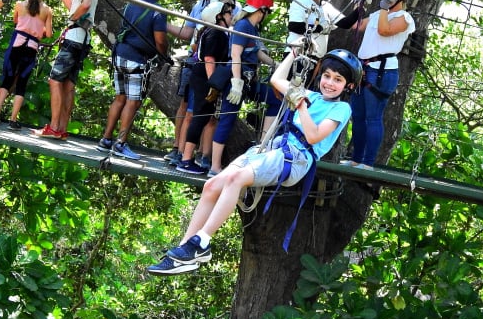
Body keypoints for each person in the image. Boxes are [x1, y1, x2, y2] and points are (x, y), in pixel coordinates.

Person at [146, 48, 359, 275]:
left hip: (295, 158)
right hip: (273, 148)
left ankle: (202, 242)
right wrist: (294, 54)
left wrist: (301, 106)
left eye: (337, 80)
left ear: (348, 86)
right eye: (327, 76)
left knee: (236, 179)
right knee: (212, 185)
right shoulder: (311, 95)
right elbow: (277, 79)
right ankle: (184, 250)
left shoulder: (341, 108)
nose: (329, 83)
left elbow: (314, 136)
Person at [95, 0, 168, 159]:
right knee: (132, 101)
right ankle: (120, 143)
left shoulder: (130, 4)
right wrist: (163, 55)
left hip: (119, 54)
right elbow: (160, 41)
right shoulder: (157, 11)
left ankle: (106, 139)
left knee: (119, 98)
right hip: (136, 59)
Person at [347, 0, 416, 168]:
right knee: (358, 116)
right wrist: (359, 2)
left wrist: (385, 7)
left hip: (382, 72)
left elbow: (384, 31)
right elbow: (356, 24)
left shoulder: (404, 18)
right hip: (364, 69)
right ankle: (355, 160)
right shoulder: (379, 14)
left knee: (373, 117)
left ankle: (368, 163)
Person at [209, 0, 278, 176]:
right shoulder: (242, 25)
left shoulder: (253, 28)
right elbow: (236, 55)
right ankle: (215, 167)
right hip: (237, 79)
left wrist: (274, 64)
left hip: (248, 80)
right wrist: (237, 82)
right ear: (261, 10)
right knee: (227, 119)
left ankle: (262, 145)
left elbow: (255, 52)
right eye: (267, 11)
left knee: (275, 99)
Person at [35, 0, 100, 139]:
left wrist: (73, 17)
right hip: (82, 40)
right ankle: (62, 128)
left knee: (54, 81)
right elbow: (76, 5)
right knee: (68, 85)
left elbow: (85, 4)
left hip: (73, 39)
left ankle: (54, 127)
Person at [164, 0, 222, 166]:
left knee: (206, 109)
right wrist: (161, 23)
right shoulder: (199, 5)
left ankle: (202, 155)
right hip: (194, 60)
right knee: (186, 107)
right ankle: (178, 149)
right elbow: (187, 33)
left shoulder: (224, 4)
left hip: (211, 61)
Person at [176, 0, 234, 174]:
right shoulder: (215, 33)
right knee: (200, 117)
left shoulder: (210, 31)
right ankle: (186, 159)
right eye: (228, 13)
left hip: (202, 75)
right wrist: (214, 83)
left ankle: (187, 158)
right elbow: (209, 58)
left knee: (202, 116)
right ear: (219, 16)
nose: (231, 16)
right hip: (205, 77)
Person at [286, 0, 370, 86]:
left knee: (302, 97)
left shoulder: (325, 6)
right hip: (297, 59)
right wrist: (319, 27)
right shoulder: (301, 1)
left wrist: (361, 4)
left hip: (313, 61)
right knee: (291, 96)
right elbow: (294, 26)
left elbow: (346, 23)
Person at [0, 0, 53, 130]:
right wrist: (40, 29)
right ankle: (13, 120)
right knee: (22, 83)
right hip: (31, 47)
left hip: (17, 44)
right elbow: (50, 34)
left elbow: (16, 21)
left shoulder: (19, 5)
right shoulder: (47, 10)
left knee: (8, 79)